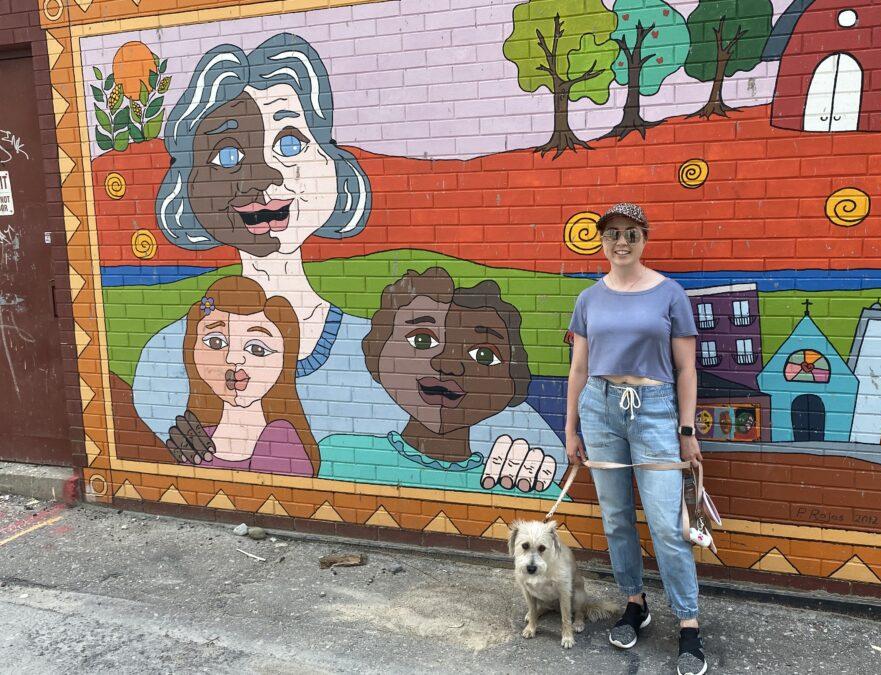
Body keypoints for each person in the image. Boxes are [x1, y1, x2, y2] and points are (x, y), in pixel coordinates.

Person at [132, 33, 563, 492]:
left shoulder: (387, 349)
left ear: (334, 167)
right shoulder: (169, 352)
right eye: (227, 155)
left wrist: (525, 453)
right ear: (188, 189)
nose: (263, 175)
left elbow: (524, 433)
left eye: (291, 143)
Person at [564, 203, 708, 675]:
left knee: (667, 525)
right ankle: (635, 602)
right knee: (616, 518)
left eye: (630, 234)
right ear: (602, 241)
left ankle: (688, 623)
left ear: (644, 238)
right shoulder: (589, 298)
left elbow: (686, 369)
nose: (621, 242)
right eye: (612, 234)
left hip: (655, 410)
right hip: (600, 409)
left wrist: (686, 430)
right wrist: (571, 428)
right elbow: (579, 368)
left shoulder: (670, 294)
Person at [318, 268, 561, 496]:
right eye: (422, 340)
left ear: (513, 381)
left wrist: (537, 487)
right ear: (377, 350)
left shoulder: (514, 481)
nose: (448, 365)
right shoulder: (335, 456)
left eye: (484, 355)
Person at [167, 276, 318, 476]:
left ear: (284, 359)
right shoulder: (197, 438)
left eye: (257, 349)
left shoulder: (279, 439)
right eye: (215, 343)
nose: (233, 358)